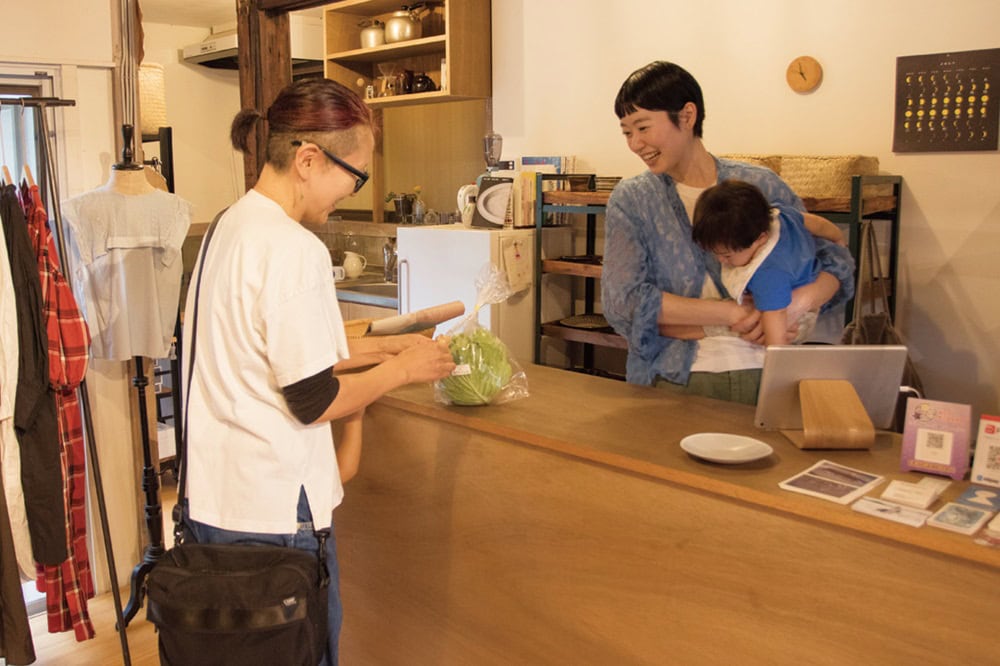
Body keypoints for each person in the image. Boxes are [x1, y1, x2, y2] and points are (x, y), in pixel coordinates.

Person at [180, 78, 456, 665]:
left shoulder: (229, 226)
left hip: (214, 503)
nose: (351, 191)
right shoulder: (290, 246)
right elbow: (312, 398)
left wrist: (373, 357)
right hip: (272, 516)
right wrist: (403, 369)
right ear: (308, 159)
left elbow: (259, 360)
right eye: (353, 176)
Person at [602, 61, 855, 405]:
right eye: (627, 132)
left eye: (643, 127)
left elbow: (834, 260)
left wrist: (798, 304)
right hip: (676, 379)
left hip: (769, 373)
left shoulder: (760, 183)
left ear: (687, 116)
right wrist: (732, 315)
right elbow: (625, 302)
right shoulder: (632, 200)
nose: (635, 143)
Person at [691, 179, 846, 347]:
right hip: (800, 280)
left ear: (760, 239)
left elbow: (776, 319)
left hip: (797, 314)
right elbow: (818, 224)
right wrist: (837, 237)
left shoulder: (767, 273)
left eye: (727, 256)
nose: (720, 260)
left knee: (728, 323)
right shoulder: (778, 215)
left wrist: (774, 358)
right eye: (714, 253)